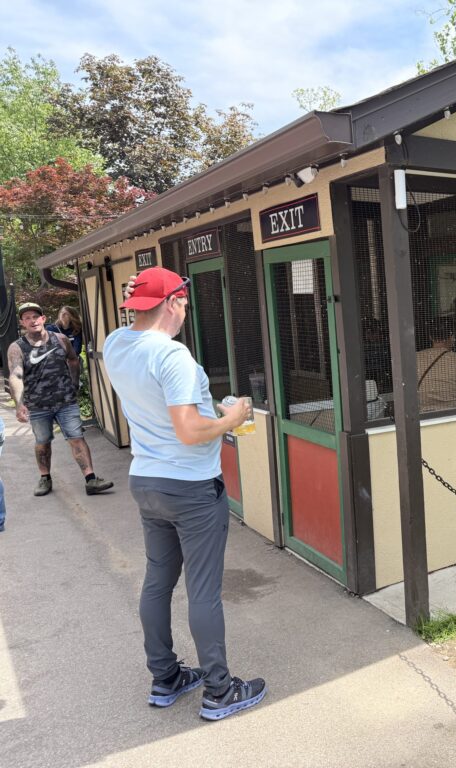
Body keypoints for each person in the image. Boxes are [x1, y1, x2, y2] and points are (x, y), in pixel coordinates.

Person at [104, 268, 265, 721]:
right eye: (185, 303)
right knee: (203, 591)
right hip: (191, 488)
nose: (186, 312)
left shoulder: (116, 344)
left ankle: (166, 677)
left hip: (147, 481)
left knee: (158, 581)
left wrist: (209, 411)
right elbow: (190, 431)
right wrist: (232, 418)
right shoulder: (172, 355)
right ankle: (219, 691)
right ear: (173, 303)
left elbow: (165, 408)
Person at [7, 302, 113, 497]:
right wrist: (19, 404)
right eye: (27, 318)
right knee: (42, 442)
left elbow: (73, 359)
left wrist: (74, 383)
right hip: (38, 405)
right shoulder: (17, 347)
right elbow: (16, 375)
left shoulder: (61, 339)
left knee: (76, 438)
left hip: (66, 402)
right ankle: (45, 478)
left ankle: (91, 480)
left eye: (35, 316)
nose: (32, 321)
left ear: (43, 319)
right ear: (22, 322)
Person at [416, 316, 456, 412]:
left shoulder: (415, 358)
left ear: (430, 337)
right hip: (454, 415)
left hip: (424, 417)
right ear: (452, 336)